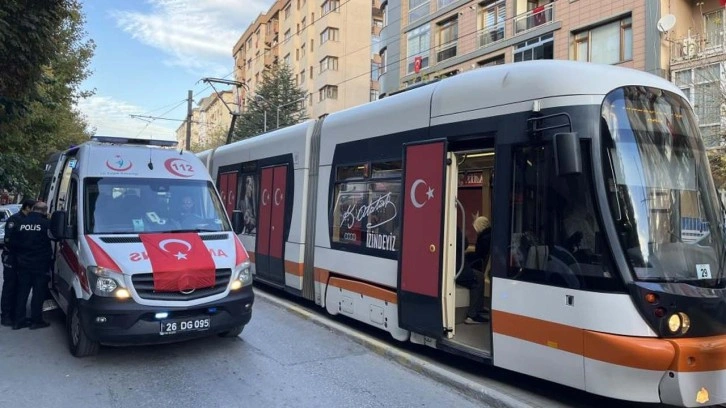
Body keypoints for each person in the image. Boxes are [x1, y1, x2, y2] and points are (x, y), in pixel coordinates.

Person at [12, 201, 52, 330]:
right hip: (40, 264)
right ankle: (36, 320)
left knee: (22, 292)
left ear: (33, 209)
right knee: (38, 293)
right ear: (45, 211)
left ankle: (19, 321)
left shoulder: (21, 222)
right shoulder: (46, 224)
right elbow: (55, 238)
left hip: (23, 263)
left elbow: (13, 242)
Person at [1, 199, 36, 327]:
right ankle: (5, 315)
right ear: (27, 208)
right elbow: (8, 240)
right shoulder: (14, 220)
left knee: (19, 286)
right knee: (10, 286)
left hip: (21, 258)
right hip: (11, 257)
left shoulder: (27, 220)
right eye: (34, 208)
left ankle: (16, 315)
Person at [455, 221, 488, 325]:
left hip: (456, 266)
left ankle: (479, 307)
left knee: (479, 275)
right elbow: (464, 244)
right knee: (476, 281)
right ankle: (472, 315)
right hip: (457, 267)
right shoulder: (454, 229)